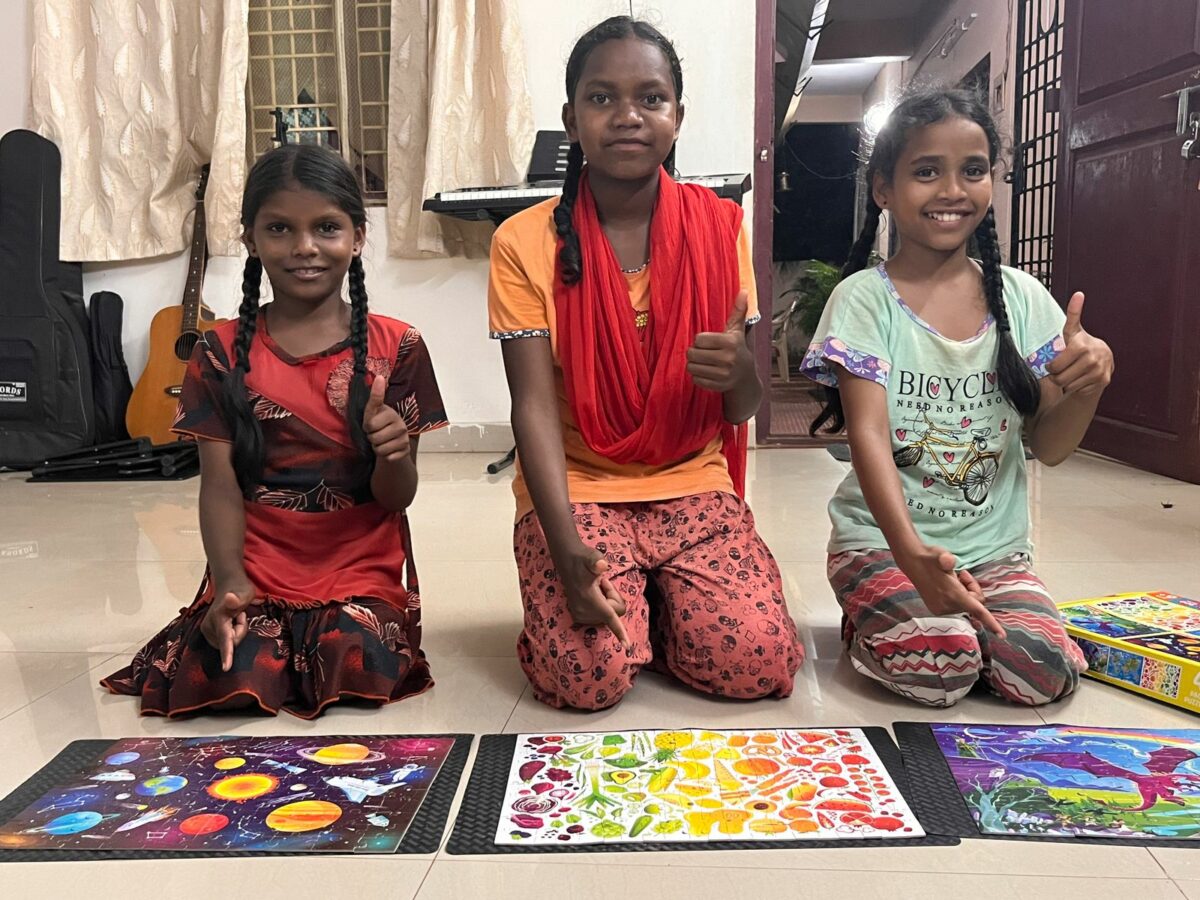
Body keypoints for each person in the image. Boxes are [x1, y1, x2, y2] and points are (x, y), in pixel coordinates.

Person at [488, 16, 803, 710]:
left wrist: (741, 375)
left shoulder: (719, 229)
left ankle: (661, 602)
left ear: (677, 116)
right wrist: (565, 548)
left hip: (691, 481)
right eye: (602, 98)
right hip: (580, 489)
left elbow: (742, 409)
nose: (627, 116)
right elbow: (533, 409)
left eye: (651, 98)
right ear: (571, 119)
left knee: (757, 661)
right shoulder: (523, 242)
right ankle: (636, 594)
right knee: (586, 676)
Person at [103, 144, 447, 718]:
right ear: (250, 238)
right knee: (232, 666)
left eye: (327, 228)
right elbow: (218, 486)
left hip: (358, 562)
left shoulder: (397, 348)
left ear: (358, 237)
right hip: (258, 559)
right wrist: (231, 582)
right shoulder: (217, 352)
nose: (304, 247)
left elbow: (398, 498)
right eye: (281, 228)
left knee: (354, 656)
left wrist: (393, 455)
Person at [801, 88, 1114, 707]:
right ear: (883, 190)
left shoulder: (1022, 301)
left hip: (994, 554)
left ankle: (949, 623)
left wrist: (1089, 384)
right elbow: (866, 436)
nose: (952, 190)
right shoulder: (865, 299)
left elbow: (1049, 448)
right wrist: (912, 556)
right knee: (940, 671)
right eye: (926, 171)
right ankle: (869, 619)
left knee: (1040, 674)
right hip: (884, 545)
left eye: (972, 170)